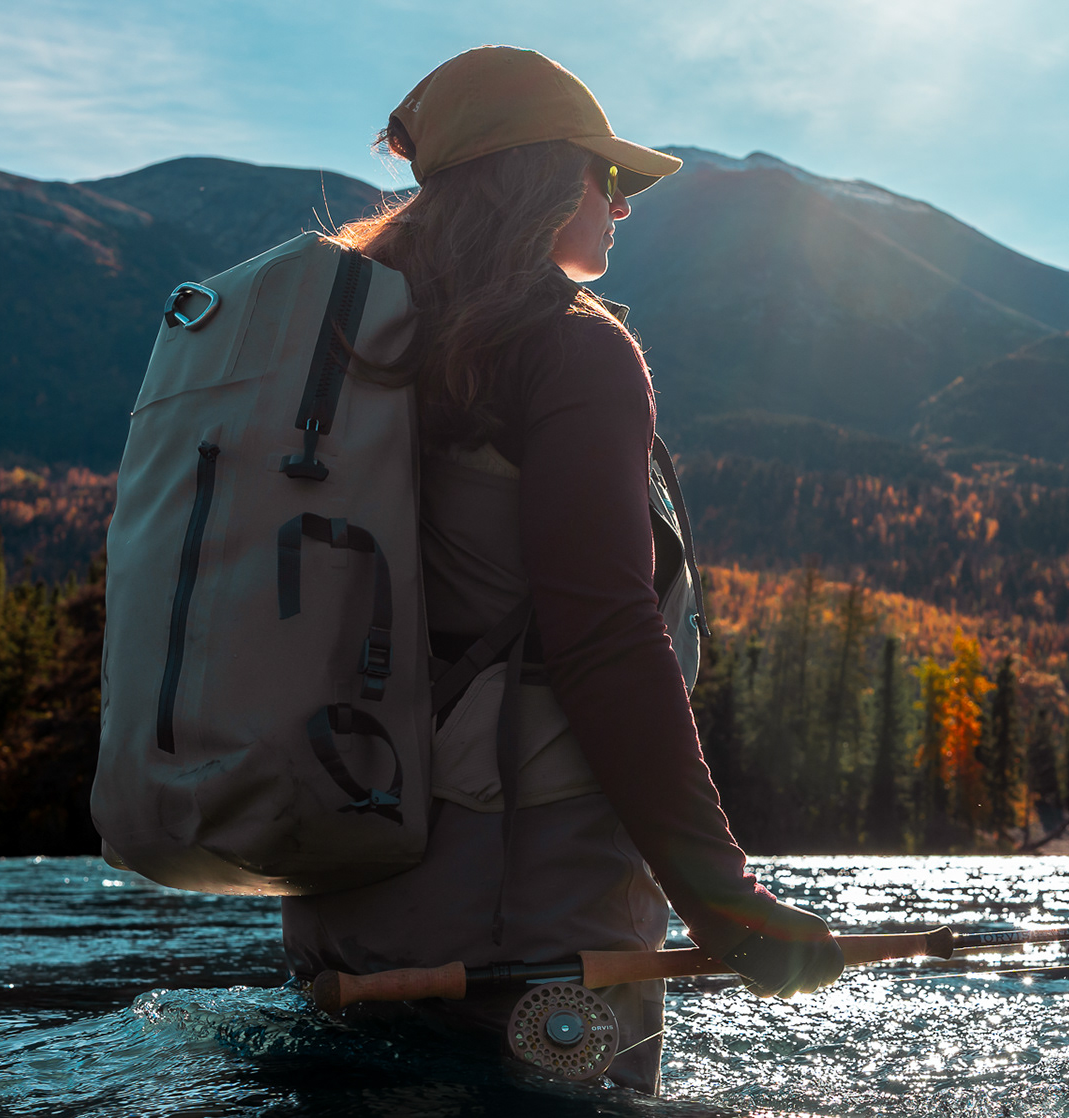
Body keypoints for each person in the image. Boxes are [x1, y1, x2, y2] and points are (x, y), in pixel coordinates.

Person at [279, 46, 844, 1093]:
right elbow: (606, 638)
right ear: (546, 176)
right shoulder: (569, 349)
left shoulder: (351, 346)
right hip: (530, 930)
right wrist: (725, 897)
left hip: (345, 902)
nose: (622, 207)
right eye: (609, 176)